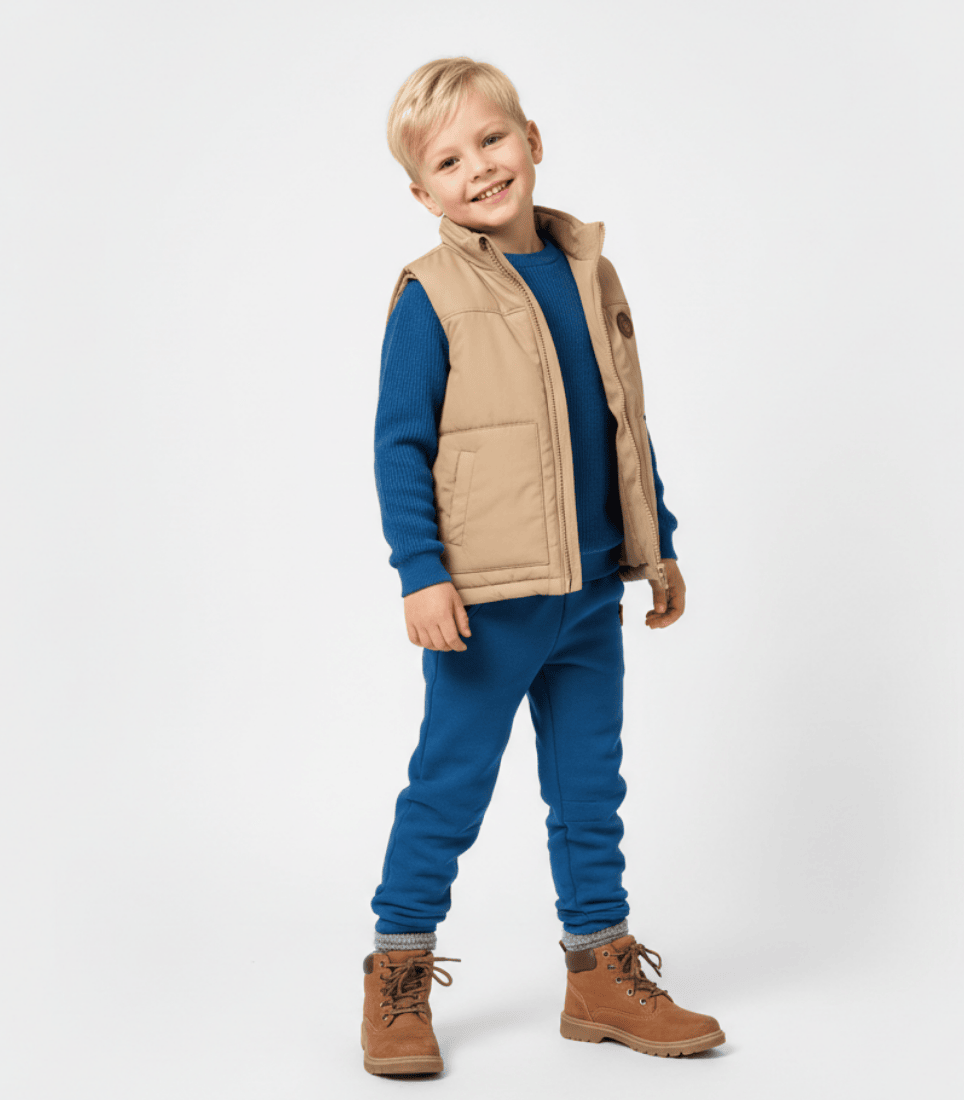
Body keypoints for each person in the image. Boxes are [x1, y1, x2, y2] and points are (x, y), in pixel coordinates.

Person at [362, 56, 725, 1076]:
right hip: (486, 601)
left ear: (531, 141)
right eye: (447, 160)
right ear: (422, 194)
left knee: (589, 787)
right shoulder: (431, 294)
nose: (478, 167)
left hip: (590, 591)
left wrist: (656, 544)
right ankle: (396, 970)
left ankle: (598, 973)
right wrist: (419, 571)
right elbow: (399, 445)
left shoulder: (587, 271)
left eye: (491, 139)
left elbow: (623, 421)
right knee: (449, 785)